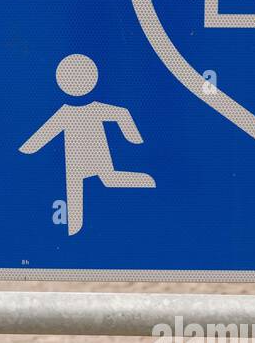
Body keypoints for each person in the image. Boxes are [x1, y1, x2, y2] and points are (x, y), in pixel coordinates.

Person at [20, 54, 155, 235]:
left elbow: (121, 114)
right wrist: (28, 148)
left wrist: (27, 149)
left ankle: (146, 182)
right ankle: (74, 229)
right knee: (93, 183)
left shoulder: (72, 112)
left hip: (88, 157)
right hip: (78, 161)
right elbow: (122, 114)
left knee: (99, 181)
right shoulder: (69, 112)